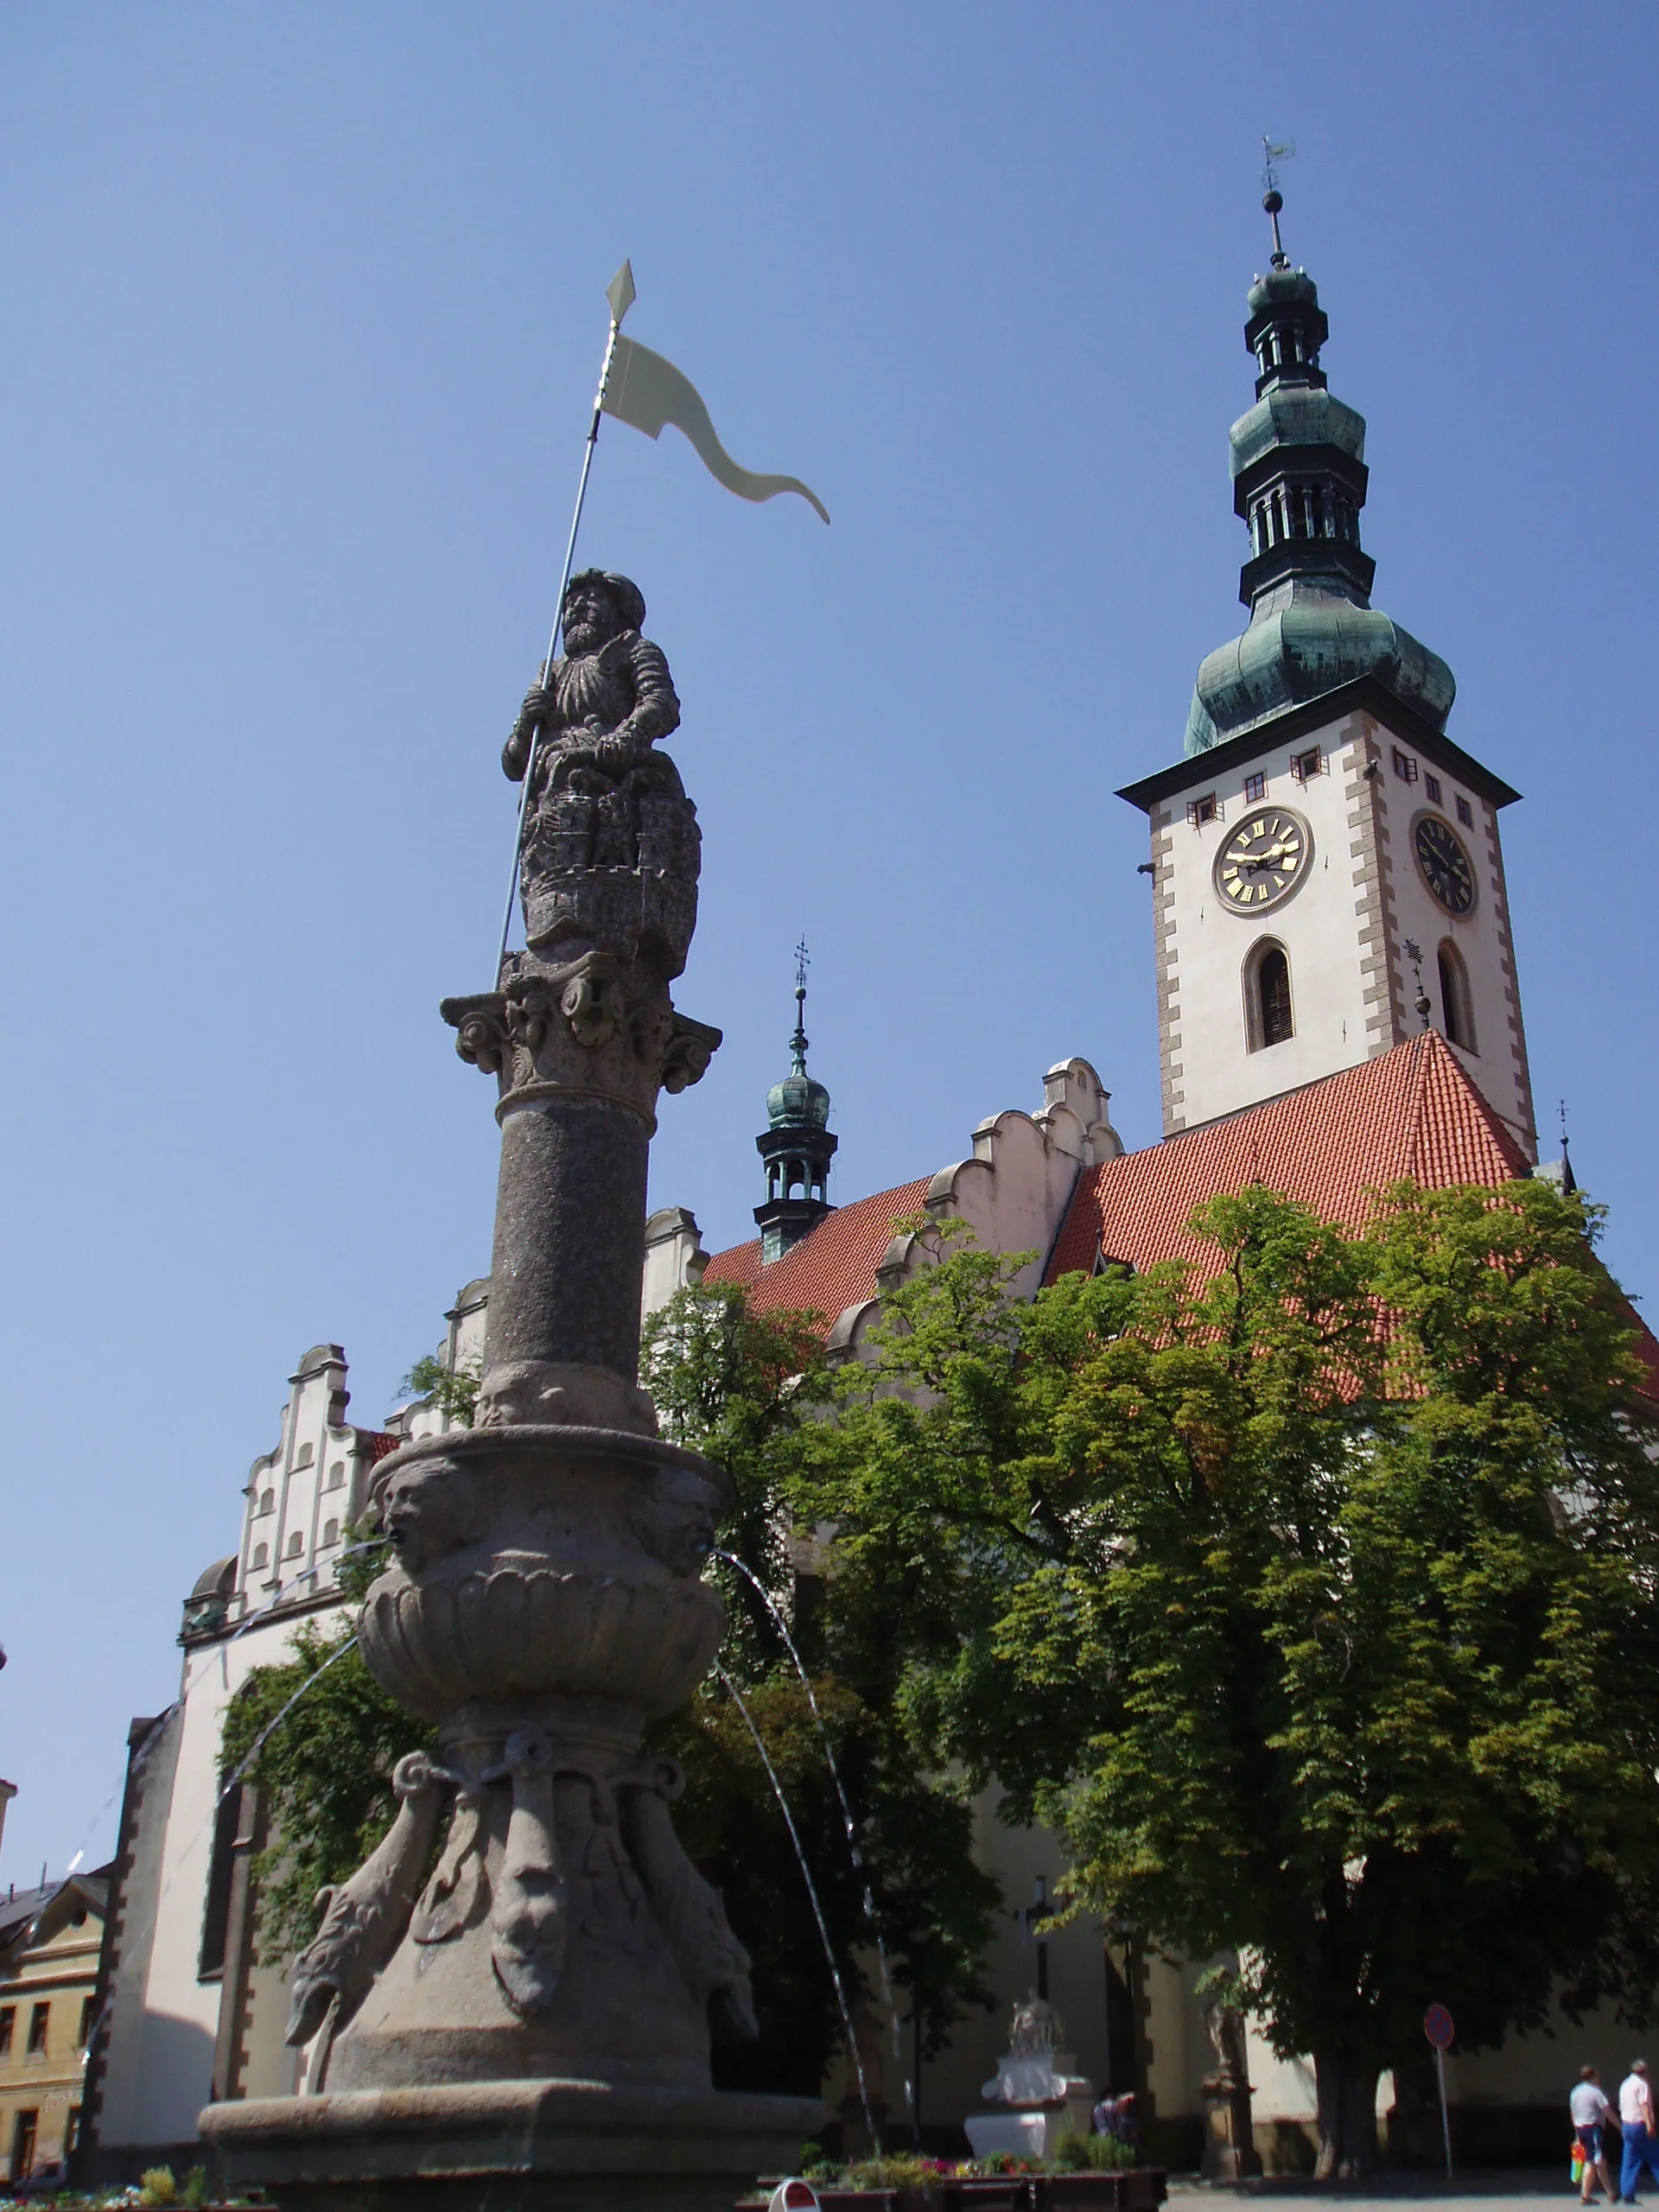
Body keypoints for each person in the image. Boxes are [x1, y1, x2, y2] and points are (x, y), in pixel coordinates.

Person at [1618, 2059, 1659, 2202]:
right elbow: (1644, 2106)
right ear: (1644, 2072)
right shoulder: (1642, 2085)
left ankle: (1627, 2194)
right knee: (1655, 2157)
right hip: (1639, 2125)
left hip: (1627, 2125)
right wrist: (1650, 2125)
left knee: (1629, 2160)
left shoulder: (1625, 2084)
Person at [1573, 2065, 1613, 2204]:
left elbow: (1574, 2113)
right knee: (1592, 2161)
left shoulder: (1575, 2092)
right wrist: (1620, 2126)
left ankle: (1611, 2193)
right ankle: (1585, 2196)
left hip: (1580, 2128)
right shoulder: (1596, 2092)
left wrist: (1577, 2133)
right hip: (1593, 2129)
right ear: (1593, 2077)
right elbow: (1607, 2110)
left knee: (1599, 2161)